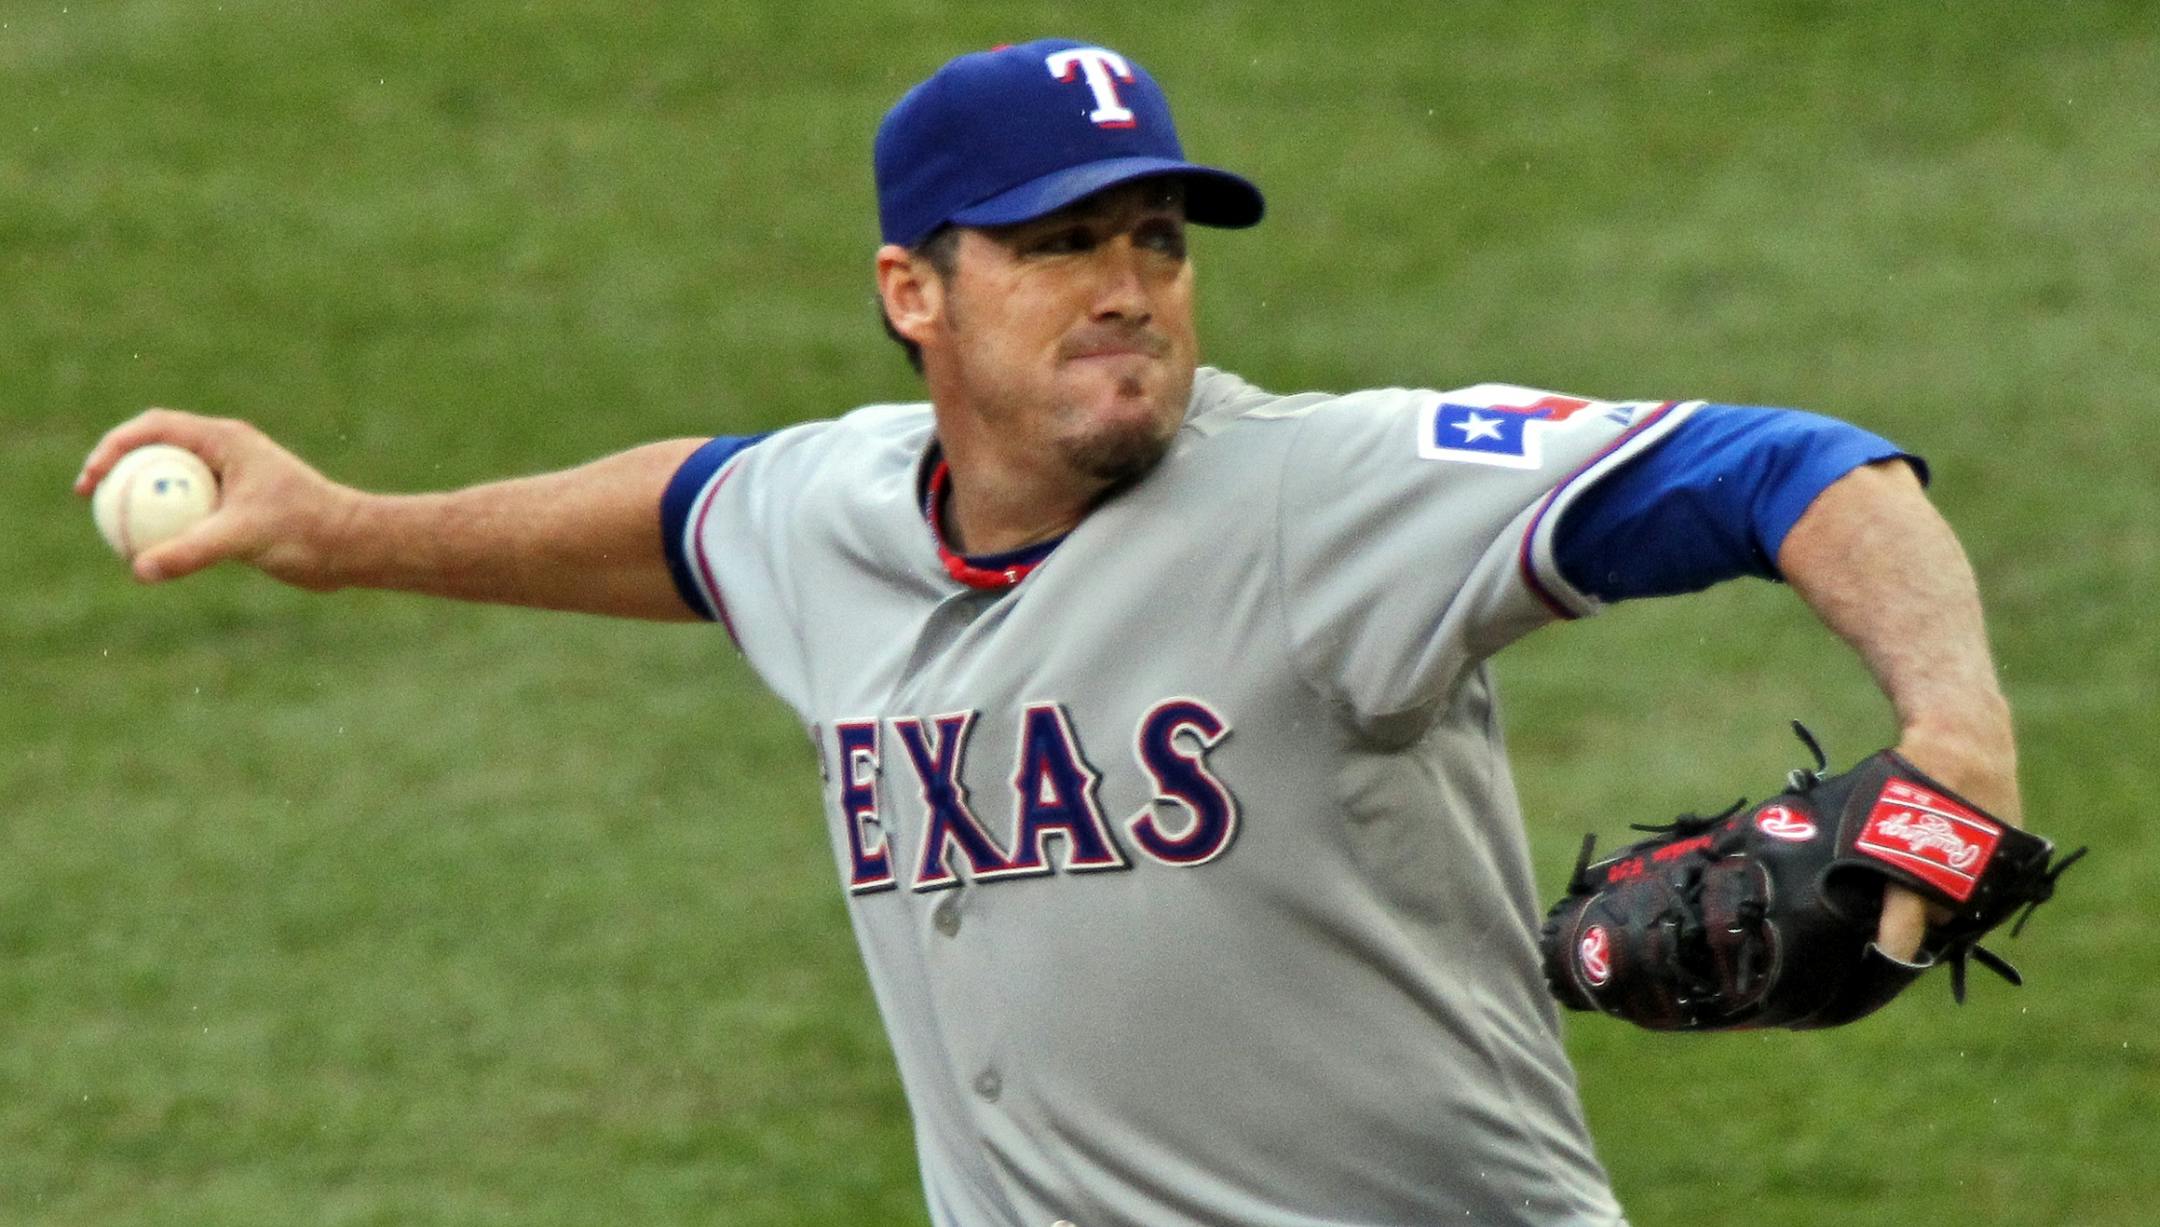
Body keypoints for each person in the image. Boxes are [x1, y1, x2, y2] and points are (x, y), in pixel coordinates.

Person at [77, 38, 2020, 1227]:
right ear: (913, 291)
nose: (1128, 287)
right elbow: (684, 519)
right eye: (1061, 242)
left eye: (1157, 239)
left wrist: (1955, 740)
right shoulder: (840, 514)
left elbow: (1795, 469)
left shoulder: (1320, 497)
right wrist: (337, 531)